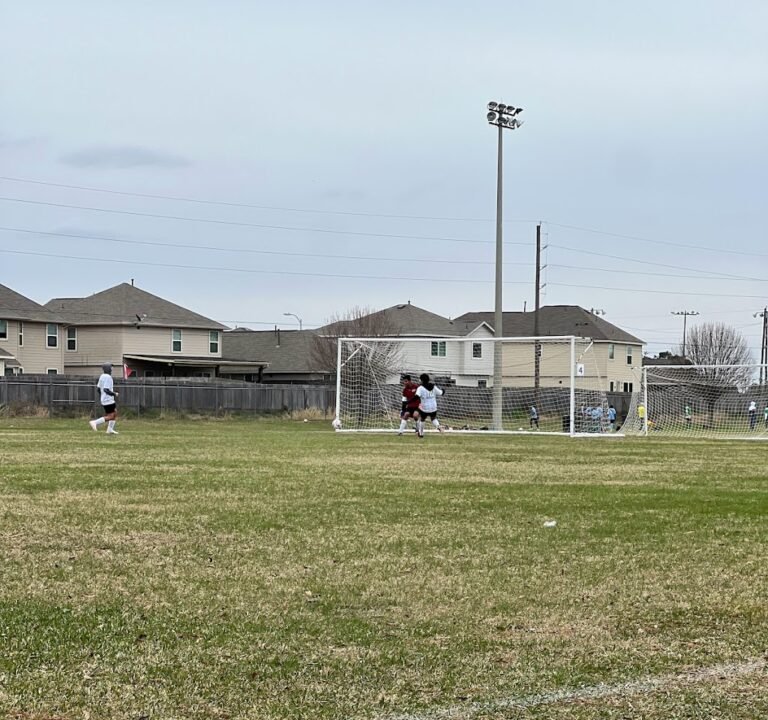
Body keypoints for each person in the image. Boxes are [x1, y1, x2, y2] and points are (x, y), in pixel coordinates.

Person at [89, 362, 119, 435]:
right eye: (111, 367)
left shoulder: (102, 376)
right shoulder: (108, 377)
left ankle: (110, 429)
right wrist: (114, 394)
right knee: (111, 416)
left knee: (115, 412)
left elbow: (98, 389)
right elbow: (106, 390)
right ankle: (95, 422)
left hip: (105, 399)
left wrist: (102, 396)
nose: (112, 369)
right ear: (108, 368)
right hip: (108, 400)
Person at [415, 373, 444, 438]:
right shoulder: (433, 386)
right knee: (433, 418)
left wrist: (409, 401)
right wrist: (443, 390)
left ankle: (421, 434)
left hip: (425, 407)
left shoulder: (420, 388)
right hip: (433, 407)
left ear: (421, 380)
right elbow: (441, 393)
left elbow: (416, 396)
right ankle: (438, 426)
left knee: (422, 419)